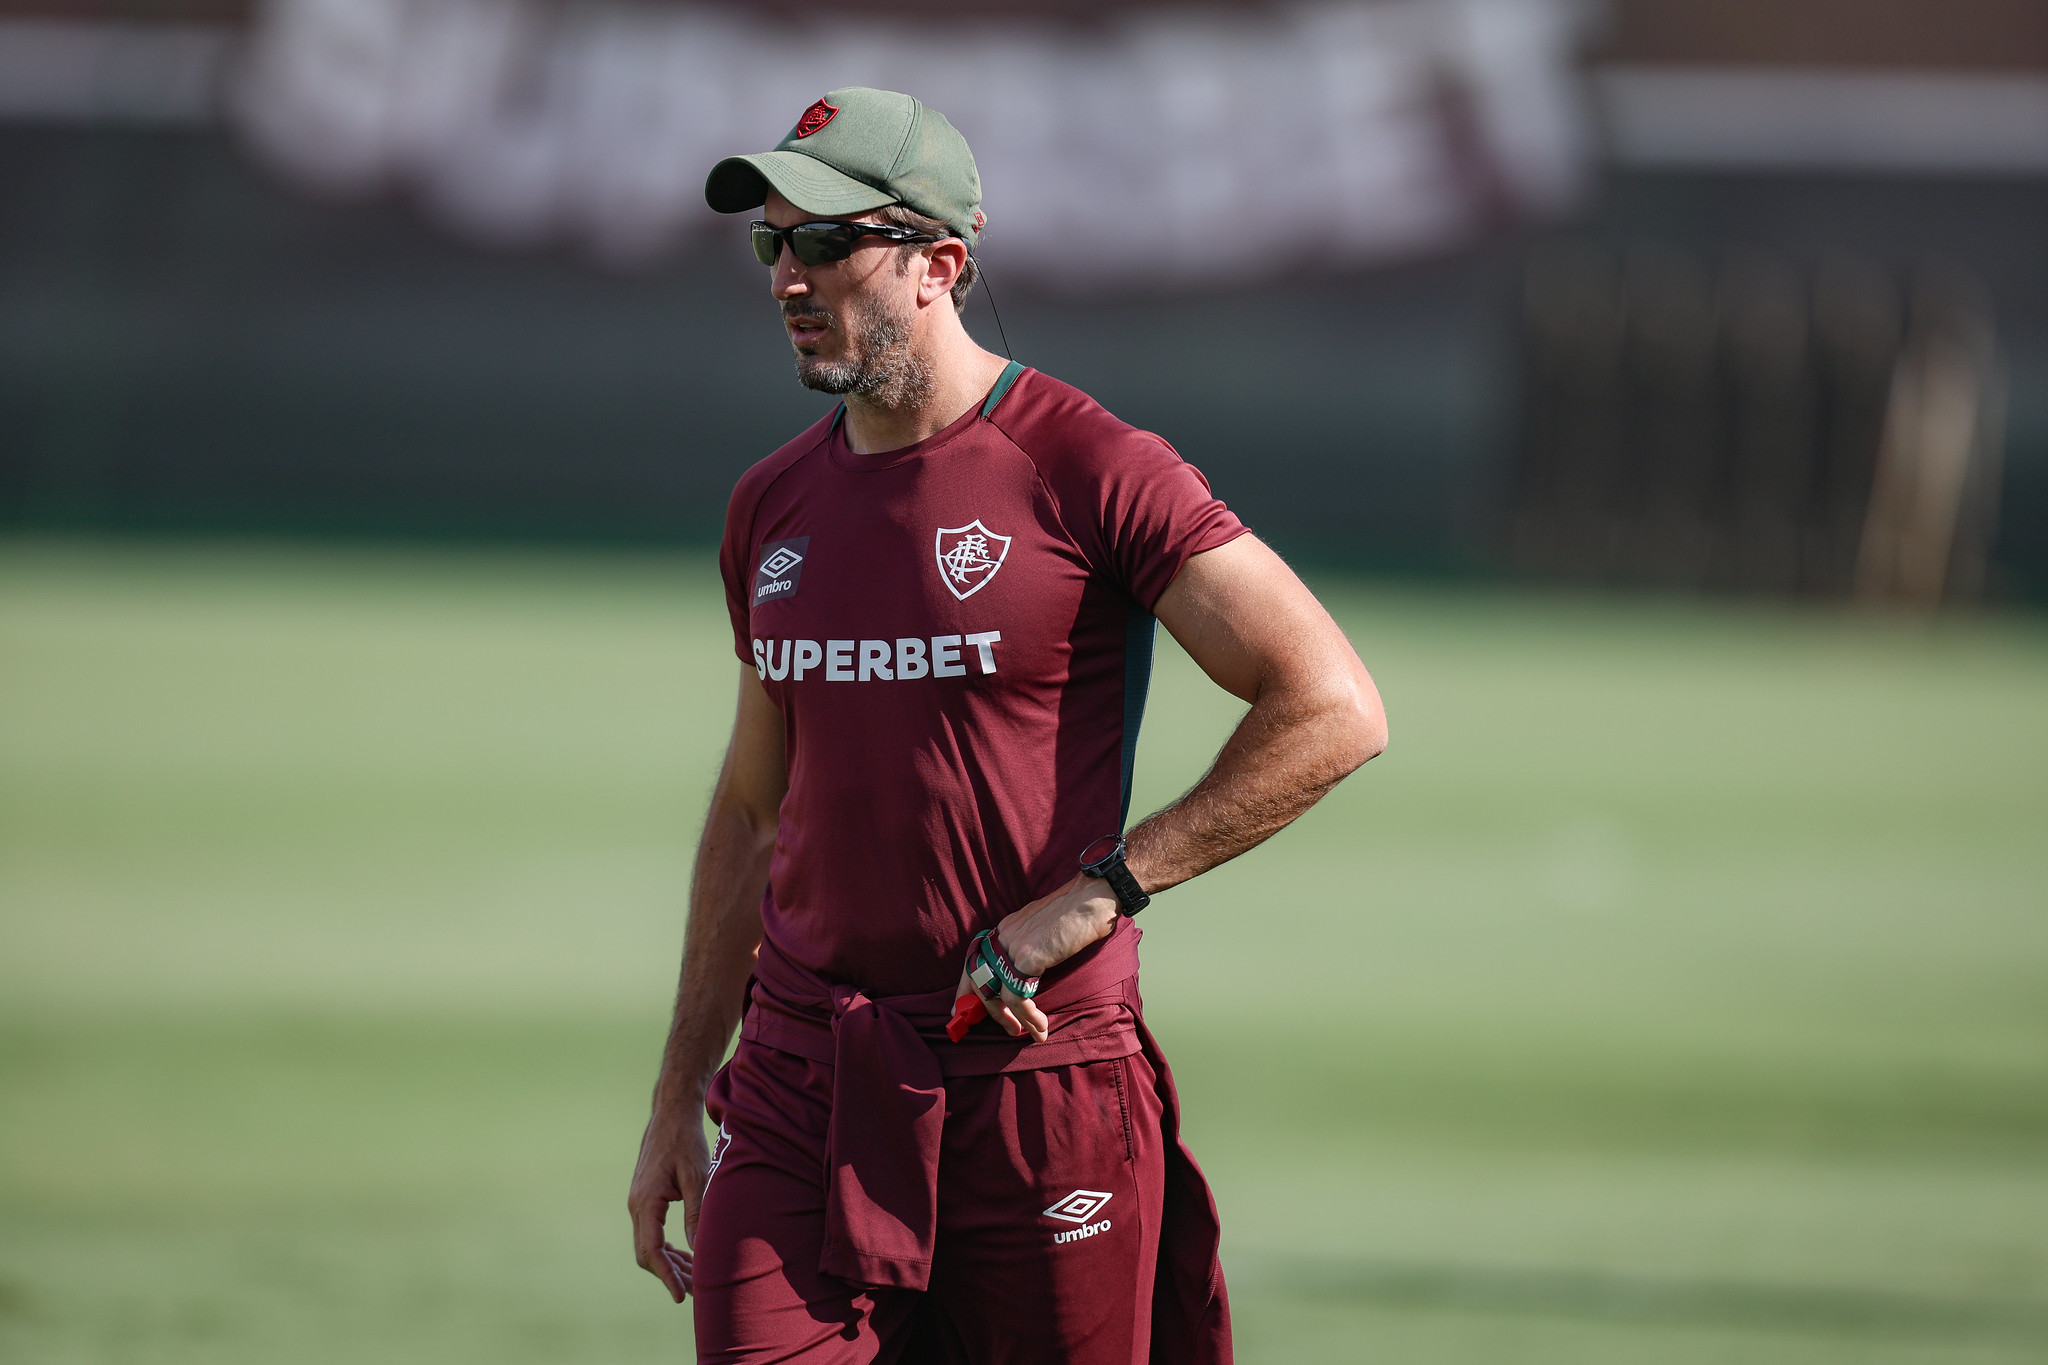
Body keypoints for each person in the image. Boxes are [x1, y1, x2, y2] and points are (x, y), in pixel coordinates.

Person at [627, 86, 1386, 1365]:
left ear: (940, 263)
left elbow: (1331, 705)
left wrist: (1103, 892)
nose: (787, 278)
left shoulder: (1088, 468)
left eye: (826, 241)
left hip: (1033, 1079)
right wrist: (671, 1096)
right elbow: (754, 811)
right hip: (804, 1081)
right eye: (772, 243)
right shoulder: (770, 505)